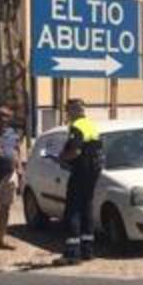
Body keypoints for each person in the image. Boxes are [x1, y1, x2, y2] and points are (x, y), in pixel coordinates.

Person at [56, 99, 104, 265]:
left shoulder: (77, 127)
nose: (67, 115)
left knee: (73, 211)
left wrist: (61, 157)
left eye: (68, 111)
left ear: (74, 111)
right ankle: (88, 250)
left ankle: (72, 253)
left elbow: (75, 151)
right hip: (93, 172)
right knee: (86, 208)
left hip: (81, 171)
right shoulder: (91, 125)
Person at [0, 105, 26, 251]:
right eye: (0, 116)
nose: (3, 119)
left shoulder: (13, 133)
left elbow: (17, 149)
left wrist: (19, 169)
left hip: (10, 174)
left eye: (6, 116)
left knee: (5, 208)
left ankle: (1, 239)